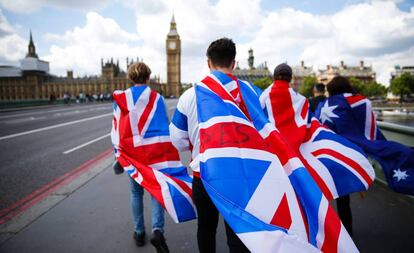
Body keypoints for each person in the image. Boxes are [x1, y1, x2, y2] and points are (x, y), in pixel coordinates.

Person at [170, 38, 250, 253]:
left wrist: (197, 142)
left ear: (208, 63)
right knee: (238, 232)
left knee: (206, 228)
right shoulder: (250, 94)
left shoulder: (190, 95)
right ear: (233, 63)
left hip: (204, 176)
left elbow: (177, 140)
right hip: (241, 177)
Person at [111, 62, 169, 253]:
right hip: (153, 155)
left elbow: (117, 130)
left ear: (130, 78)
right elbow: (164, 127)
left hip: (132, 155)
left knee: (136, 193)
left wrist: (117, 156)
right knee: (155, 192)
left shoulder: (121, 98)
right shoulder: (157, 98)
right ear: (148, 78)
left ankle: (139, 232)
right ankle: (157, 231)